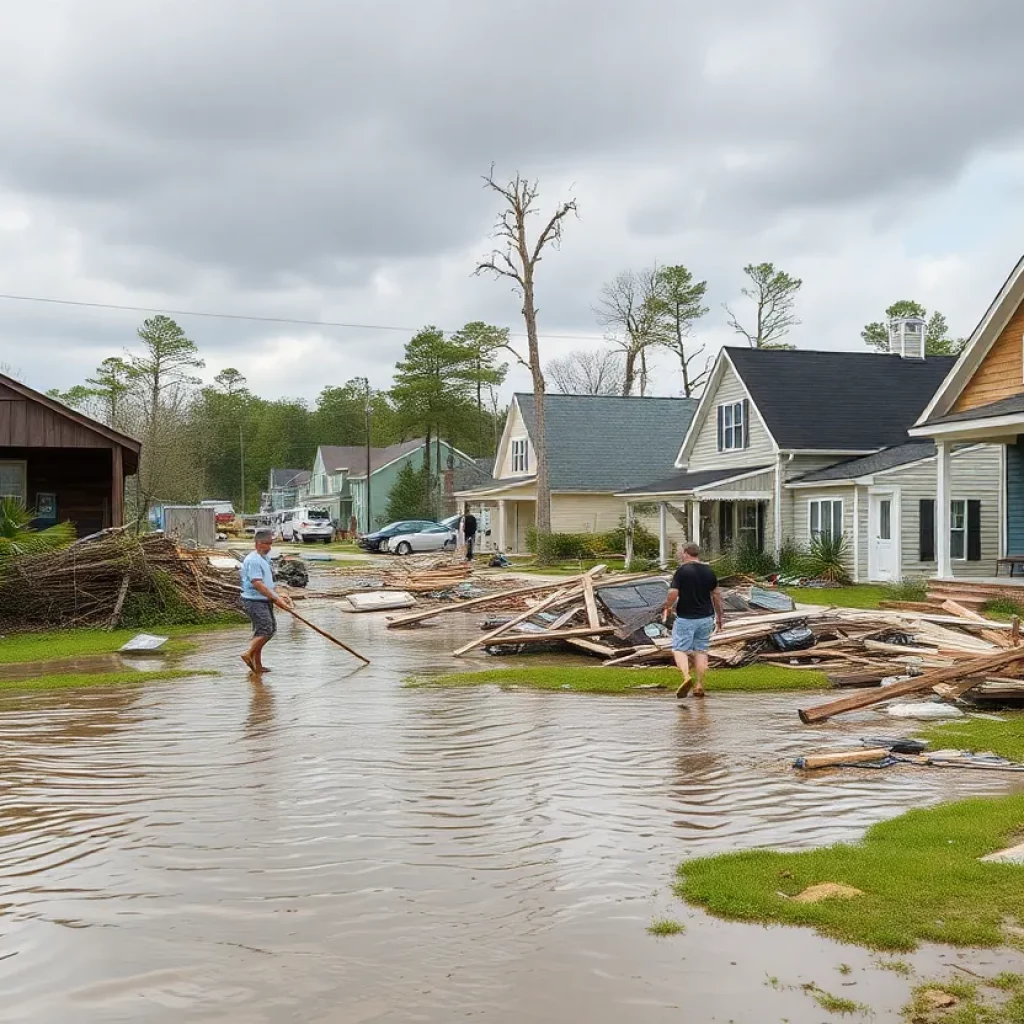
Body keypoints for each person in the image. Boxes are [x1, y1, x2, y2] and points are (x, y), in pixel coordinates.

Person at [662, 542, 724, 699]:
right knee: (701, 651)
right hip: (706, 617)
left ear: (685, 553)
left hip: (686, 617)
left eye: (681, 552)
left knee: (679, 649)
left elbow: (673, 593)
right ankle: (699, 685)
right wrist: (719, 617)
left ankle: (686, 677)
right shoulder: (709, 571)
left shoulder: (682, 571)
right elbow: (716, 595)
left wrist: (667, 607)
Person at [240, 529, 293, 674]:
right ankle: (248, 653)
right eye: (266, 544)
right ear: (258, 543)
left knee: (265, 631)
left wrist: (279, 595)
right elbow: (257, 583)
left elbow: (268, 582)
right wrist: (275, 599)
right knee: (266, 630)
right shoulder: (253, 560)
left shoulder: (264, 558)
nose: (269, 547)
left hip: (263, 599)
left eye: (270, 544)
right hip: (254, 600)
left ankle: (258, 665)